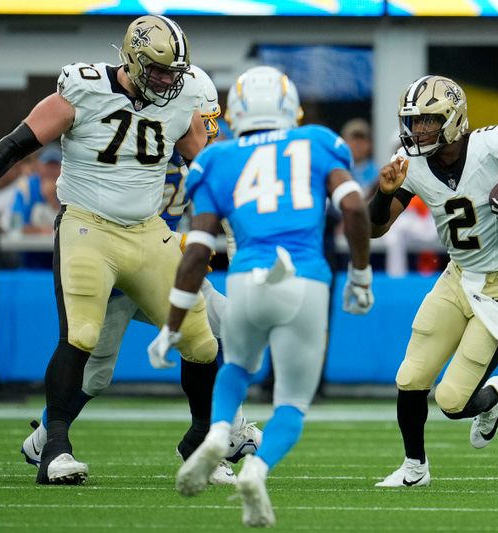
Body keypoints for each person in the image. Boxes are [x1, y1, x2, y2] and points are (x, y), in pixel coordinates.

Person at [0, 15, 218, 485]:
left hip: (147, 231)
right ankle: (54, 448)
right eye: (158, 70)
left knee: (201, 342)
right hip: (87, 226)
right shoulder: (84, 87)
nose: (168, 79)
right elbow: (16, 146)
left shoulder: (184, 100)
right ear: (133, 61)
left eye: (175, 71)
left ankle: (200, 444)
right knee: (83, 334)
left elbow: (212, 168)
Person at [148, 66, 372, 527]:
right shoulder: (317, 142)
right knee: (290, 402)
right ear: (291, 106)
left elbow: (197, 254)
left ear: (236, 111)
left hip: (246, 281)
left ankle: (216, 436)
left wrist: (171, 326)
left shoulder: (218, 159)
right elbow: (352, 208)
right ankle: (257, 469)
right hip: (304, 279)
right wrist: (361, 274)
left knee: (234, 370)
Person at [18, 66, 261, 485]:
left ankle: (223, 432)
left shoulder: (189, 152)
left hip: (158, 261)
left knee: (216, 327)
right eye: (203, 120)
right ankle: (47, 438)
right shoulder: (146, 142)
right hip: (111, 263)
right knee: (94, 370)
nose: (208, 129)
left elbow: (219, 206)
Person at [368, 75, 498, 487]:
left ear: (453, 119)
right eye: (413, 121)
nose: (417, 130)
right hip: (457, 277)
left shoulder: (493, 147)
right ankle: (414, 469)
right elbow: (375, 228)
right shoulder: (413, 165)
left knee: (453, 402)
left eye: (427, 121)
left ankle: (490, 397)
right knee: (411, 377)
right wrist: (384, 193)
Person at [341, 117, 378, 190]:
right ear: (343, 143)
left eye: (362, 140)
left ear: (370, 144)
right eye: (353, 140)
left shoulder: (378, 173)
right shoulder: (337, 170)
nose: (358, 145)